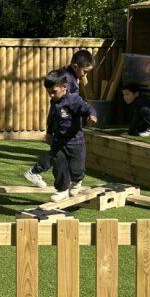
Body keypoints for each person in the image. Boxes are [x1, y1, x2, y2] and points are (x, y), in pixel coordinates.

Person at [24, 48, 97, 187]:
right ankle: (38, 173)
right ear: (75, 66)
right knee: (60, 155)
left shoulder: (68, 76)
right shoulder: (68, 81)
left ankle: (38, 172)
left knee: (57, 154)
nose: (85, 75)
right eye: (84, 72)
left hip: (63, 127)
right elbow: (63, 106)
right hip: (66, 128)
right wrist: (51, 130)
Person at [43, 68, 98, 202]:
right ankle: (61, 190)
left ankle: (77, 180)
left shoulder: (73, 100)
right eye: (48, 92)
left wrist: (92, 115)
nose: (51, 95)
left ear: (64, 87)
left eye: (53, 92)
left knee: (76, 169)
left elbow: (87, 108)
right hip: (58, 142)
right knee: (59, 165)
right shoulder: (54, 101)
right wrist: (49, 133)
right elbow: (52, 118)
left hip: (75, 142)